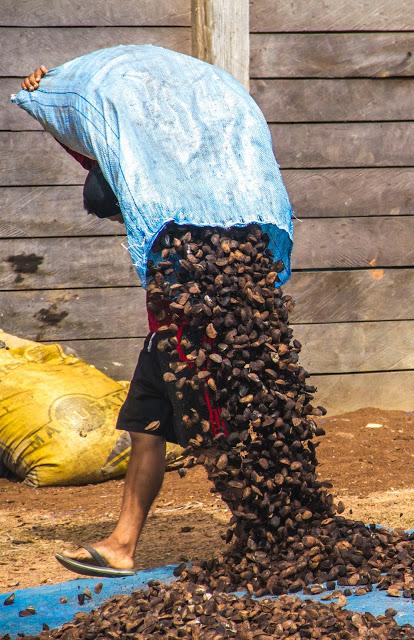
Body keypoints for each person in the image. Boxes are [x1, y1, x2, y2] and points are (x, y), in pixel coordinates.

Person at [19, 50, 293, 577]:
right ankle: (121, 546)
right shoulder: (145, 182)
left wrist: (44, 101)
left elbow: (94, 155)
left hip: (197, 337)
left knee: (222, 434)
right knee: (145, 429)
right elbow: (94, 146)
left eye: (117, 206)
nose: (123, 213)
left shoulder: (189, 188)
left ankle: (276, 536)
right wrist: (42, 95)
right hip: (165, 333)